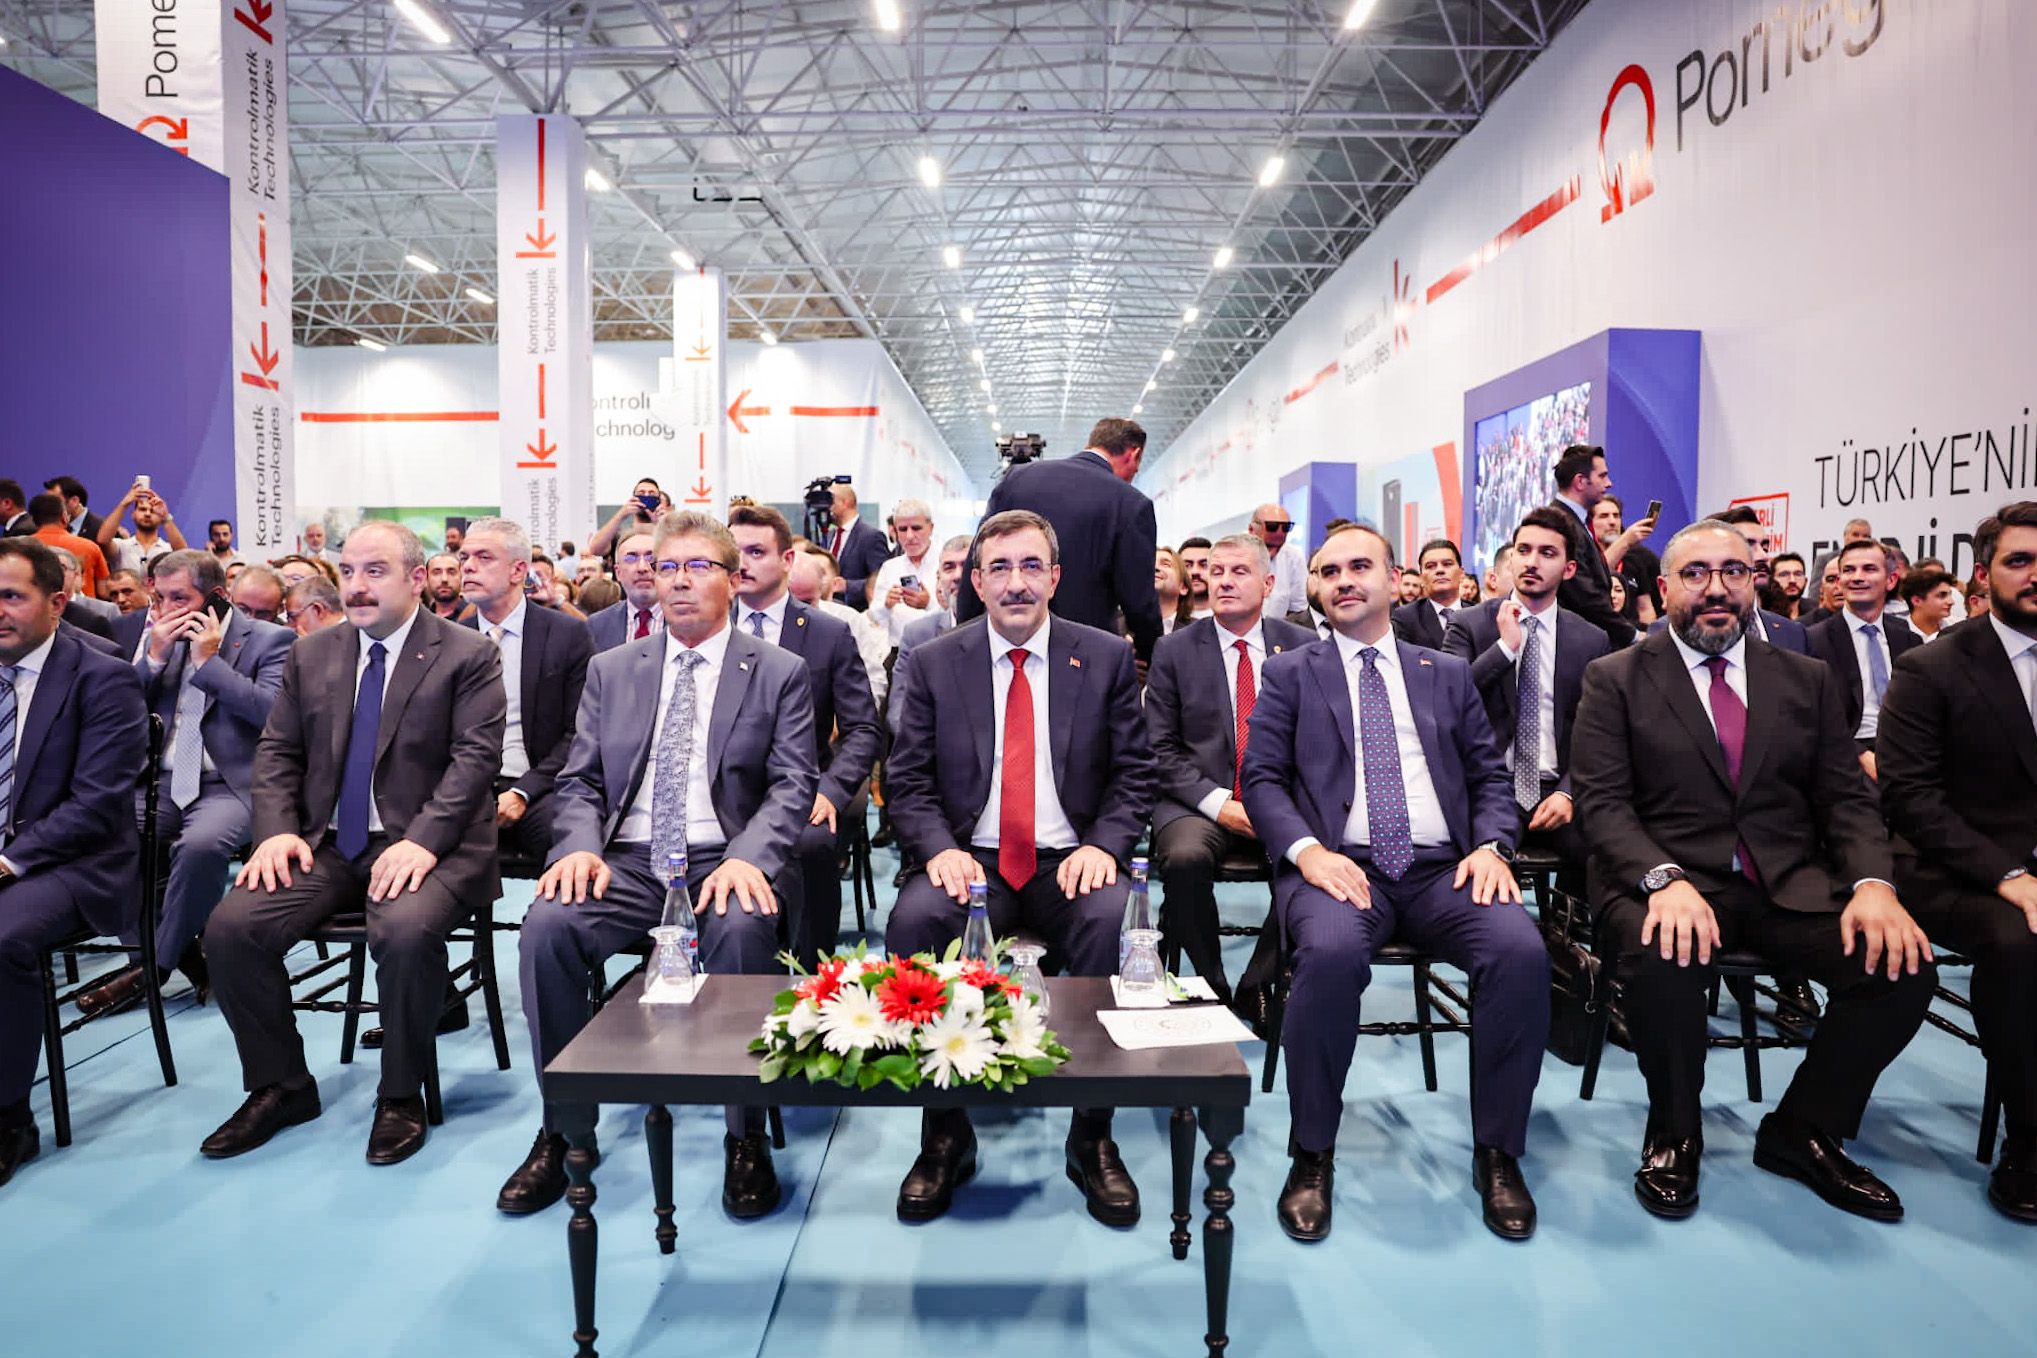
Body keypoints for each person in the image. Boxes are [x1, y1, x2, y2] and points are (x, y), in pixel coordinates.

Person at [1571, 520, 1935, 1223]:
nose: (1716, 588)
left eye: (1733, 572)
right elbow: (1602, 804)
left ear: (1753, 584)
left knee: (1901, 966)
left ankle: (1803, 1127)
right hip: (1665, 877)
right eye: (1696, 573)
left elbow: (1845, 798)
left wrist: (1873, 885)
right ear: (1664, 589)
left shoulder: (1804, 678)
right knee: (1664, 956)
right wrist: (1662, 878)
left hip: (1785, 882)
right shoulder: (1615, 678)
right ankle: (1675, 1129)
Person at [501, 513, 816, 1219]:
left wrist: (748, 857)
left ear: (734, 580)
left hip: (721, 854)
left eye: (697, 567)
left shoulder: (777, 671)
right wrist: (577, 847)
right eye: (666, 567)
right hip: (627, 859)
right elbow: (581, 781)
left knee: (742, 928)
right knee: (548, 928)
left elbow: (793, 784)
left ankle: (744, 1133)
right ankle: (564, 1127)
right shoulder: (613, 669)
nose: (676, 581)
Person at [1240, 522, 1543, 1242]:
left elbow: (1488, 776)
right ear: (1315, 587)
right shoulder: (1291, 673)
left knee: (1521, 953)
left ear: (1391, 577)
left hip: (1445, 869)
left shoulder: (1444, 673)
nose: (1343, 581)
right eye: (1328, 571)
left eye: (1359, 567)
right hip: (1340, 867)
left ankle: (1498, 1152)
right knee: (1328, 956)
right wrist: (1307, 853)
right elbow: (1260, 779)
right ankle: (1312, 1152)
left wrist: (1494, 847)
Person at [198, 522, 506, 1166]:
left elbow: (474, 762)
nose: (357, 586)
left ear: (417, 579)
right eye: (348, 571)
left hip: (431, 845)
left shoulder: (467, 653)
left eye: (375, 571)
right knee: (231, 929)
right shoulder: (312, 653)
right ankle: (282, 1085)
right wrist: (276, 832)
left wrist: (423, 841)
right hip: (328, 843)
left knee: (405, 931)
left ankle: (401, 1093)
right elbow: (278, 751)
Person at [885, 510, 1156, 1225]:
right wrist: (938, 850)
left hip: (1071, 860)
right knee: (914, 923)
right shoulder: (935, 661)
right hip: (970, 860)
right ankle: (944, 1131)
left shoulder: (1103, 656)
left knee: (1114, 925)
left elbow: (1134, 773)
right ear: (975, 582)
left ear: (1055, 577)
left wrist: (1104, 846)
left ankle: (1092, 1133)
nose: (1015, 583)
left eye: (1031, 566)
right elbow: (906, 780)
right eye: (999, 568)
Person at [1878, 502, 2037, 1222]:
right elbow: (1910, 798)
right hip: (1951, 869)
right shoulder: (1932, 667)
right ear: (1982, 574)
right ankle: (2028, 1139)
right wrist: (2009, 875)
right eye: (2018, 561)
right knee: (2019, 941)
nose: (2034, 575)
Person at [73, 549, 292, 1019]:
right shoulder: (156, 639)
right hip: (159, 779)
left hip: (229, 783)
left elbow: (273, 715)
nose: (166, 609)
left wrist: (210, 663)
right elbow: (113, 713)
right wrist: (151, 661)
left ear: (216, 597)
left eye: (180, 598)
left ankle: (152, 968)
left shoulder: (270, 639)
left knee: (200, 847)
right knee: (107, 837)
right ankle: (182, 954)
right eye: (160, 598)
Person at [0, 539, 148, 1187]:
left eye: (11, 596)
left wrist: (7, 862)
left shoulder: (102, 676)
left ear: (57, 603)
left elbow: (95, 804)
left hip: (76, 862)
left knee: (3, 939)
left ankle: (10, 1117)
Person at [1145, 533, 1313, 1003]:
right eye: (1215, 571)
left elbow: (1318, 740)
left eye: (1239, 572)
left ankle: (1257, 985)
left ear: (1268, 584)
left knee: (1312, 863)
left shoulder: (1301, 646)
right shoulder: (1174, 650)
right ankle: (1211, 983)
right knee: (1184, 859)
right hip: (1197, 800)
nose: (1223, 581)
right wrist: (1221, 805)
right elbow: (1158, 749)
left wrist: (1277, 804)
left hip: (1280, 799)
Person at [728, 504, 880, 965]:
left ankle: (814, 969)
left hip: (804, 787)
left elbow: (862, 728)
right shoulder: (710, 626)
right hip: (723, 790)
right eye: (733, 552)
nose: (742, 563)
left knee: (812, 845)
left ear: (788, 560)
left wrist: (831, 791)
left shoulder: (827, 633)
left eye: (756, 552)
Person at [1442, 508, 1609, 865]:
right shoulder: (1469, 625)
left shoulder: (1590, 640)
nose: (1532, 562)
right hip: (1490, 788)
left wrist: (1568, 792)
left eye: (1547, 553)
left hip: (1558, 789)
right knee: (1481, 868)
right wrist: (1505, 649)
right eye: (1523, 550)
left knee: (1606, 860)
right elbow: (1448, 700)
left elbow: (1597, 732)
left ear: (1569, 569)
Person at [958, 418, 1162, 662]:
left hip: (1007, 649)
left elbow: (977, 560)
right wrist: (1152, 657)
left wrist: (963, 640)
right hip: (1087, 658)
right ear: (1133, 454)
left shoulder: (1016, 479)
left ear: (1091, 443)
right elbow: (1139, 602)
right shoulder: (1131, 503)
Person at [456, 518, 595, 863]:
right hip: (463, 790)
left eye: (484, 557)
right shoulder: (448, 638)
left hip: (540, 785)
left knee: (570, 844)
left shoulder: (566, 635)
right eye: (464, 557)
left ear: (518, 571)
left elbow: (580, 732)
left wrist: (524, 791)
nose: (468, 567)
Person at [1808, 539, 1922, 781]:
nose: (1857, 577)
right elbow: (1812, 717)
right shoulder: (1814, 640)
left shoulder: (1909, 641)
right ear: (1839, 581)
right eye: (1849, 570)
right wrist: (1859, 755)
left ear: (1891, 580)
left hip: (1907, 750)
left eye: (1869, 569)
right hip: (1844, 757)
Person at [1548, 446, 1639, 647]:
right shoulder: (1561, 524)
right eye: (1602, 476)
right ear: (1580, 481)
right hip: (1575, 643)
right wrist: (1632, 635)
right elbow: (1584, 596)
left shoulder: (1575, 521)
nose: (1609, 483)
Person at [793, 546, 889, 704]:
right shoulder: (762, 621)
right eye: (793, 600)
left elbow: (873, 678)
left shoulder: (848, 620)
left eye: (807, 602)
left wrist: (858, 714)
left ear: (820, 588)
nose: (800, 609)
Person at [866, 499, 939, 647]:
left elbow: (959, 615)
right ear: (896, 532)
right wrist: (886, 605)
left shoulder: (946, 563)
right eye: (903, 529)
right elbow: (875, 617)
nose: (910, 536)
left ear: (931, 528)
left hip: (938, 647)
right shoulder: (890, 567)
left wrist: (929, 604)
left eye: (916, 528)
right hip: (899, 650)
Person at [819, 484, 893, 610]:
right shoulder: (830, 536)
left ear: (845, 502)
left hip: (857, 611)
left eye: (830, 501)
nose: (827, 507)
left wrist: (848, 586)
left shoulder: (871, 537)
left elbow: (882, 580)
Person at [1593, 494, 1661, 626]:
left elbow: (1645, 608)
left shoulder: (1638, 557)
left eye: (1616, 516)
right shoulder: (1582, 555)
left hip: (1632, 633)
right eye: (1604, 516)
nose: (1612, 522)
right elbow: (1595, 576)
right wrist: (1625, 540)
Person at [586, 530, 660, 651]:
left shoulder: (687, 621)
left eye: (651, 558)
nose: (642, 568)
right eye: (631, 558)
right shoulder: (597, 625)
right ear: (618, 572)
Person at [96, 479, 187, 577]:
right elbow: (102, 541)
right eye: (142, 509)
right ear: (133, 514)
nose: (147, 514)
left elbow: (184, 555)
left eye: (153, 511)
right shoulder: (121, 546)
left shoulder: (168, 549)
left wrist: (166, 518)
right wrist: (124, 504)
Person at [28, 494, 108, 601]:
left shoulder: (21, 549)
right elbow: (104, 591)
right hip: (85, 610)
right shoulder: (90, 547)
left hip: (37, 607)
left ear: (33, 520)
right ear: (64, 517)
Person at [1390, 538, 1466, 650]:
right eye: (1430, 566)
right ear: (1421, 579)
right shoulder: (1405, 618)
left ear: (1461, 574)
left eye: (1447, 564)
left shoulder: (1481, 615)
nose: (1440, 570)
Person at [585, 477, 672, 567]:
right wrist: (621, 514)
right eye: (641, 493)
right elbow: (595, 549)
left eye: (651, 494)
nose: (646, 496)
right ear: (633, 499)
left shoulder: (664, 534)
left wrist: (664, 523)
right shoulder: (620, 535)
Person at [1251, 507, 1309, 619]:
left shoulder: (1294, 558)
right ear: (1252, 529)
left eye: (1286, 527)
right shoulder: (1233, 555)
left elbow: (1299, 609)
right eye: (1272, 526)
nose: (1279, 532)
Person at [1899, 566, 1963, 640]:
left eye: (1950, 594)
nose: (1951, 602)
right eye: (1942, 595)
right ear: (1916, 601)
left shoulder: (1958, 627)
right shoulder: (1898, 634)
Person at [43, 476, 105, 544]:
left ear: (74, 501)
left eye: (53, 501)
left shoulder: (100, 529)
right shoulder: (45, 525)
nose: (48, 506)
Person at [1155, 547, 1193, 635]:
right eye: (1149, 564)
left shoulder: (1199, 631)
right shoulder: (1122, 628)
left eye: (1165, 564)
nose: (1155, 568)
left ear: (1183, 587)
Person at [1177, 536, 1214, 620]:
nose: (1195, 572)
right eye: (1187, 566)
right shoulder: (1164, 617)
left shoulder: (1234, 616)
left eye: (1204, 565)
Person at [424, 552, 467, 620]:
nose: (444, 579)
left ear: (462, 577)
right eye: (437, 573)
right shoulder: (422, 619)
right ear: (426, 578)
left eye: (451, 572)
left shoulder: (475, 614)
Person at [1768, 551, 1810, 618]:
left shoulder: (1815, 613)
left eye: (1798, 574)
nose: (1792, 580)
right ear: (1771, 581)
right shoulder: (1763, 613)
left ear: (1805, 581)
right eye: (1784, 574)